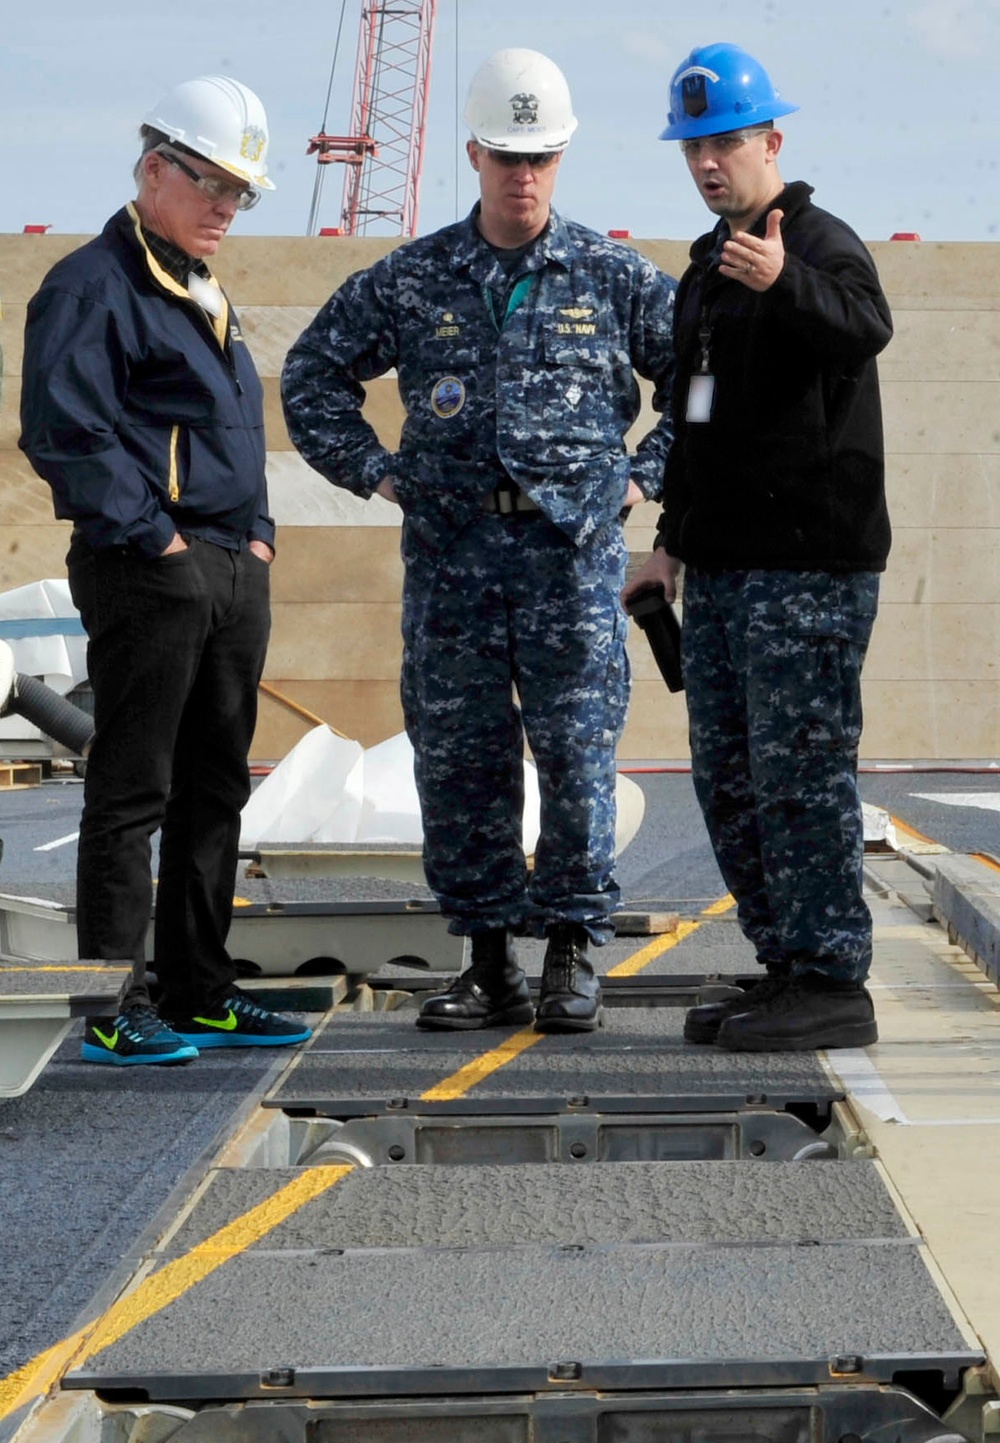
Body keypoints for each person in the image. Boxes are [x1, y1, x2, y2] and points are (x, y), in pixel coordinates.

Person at [282, 48, 676, 1034]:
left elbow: (707, 384)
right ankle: (491, 962)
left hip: (569, 559)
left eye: (540, 155)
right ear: (473, 153)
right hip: (453, 562)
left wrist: (647, 472)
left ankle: (573, 953)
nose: (523, 175)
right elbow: (312, 374)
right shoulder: (416, 278)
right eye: (506, 155)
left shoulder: (614, 275)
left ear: (564, 152)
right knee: (462, 763)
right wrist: (376, 472)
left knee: (577, 760)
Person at [20, 76, 310, 1066]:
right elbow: (64, 429)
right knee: (132, 787)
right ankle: (111, 1003)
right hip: (151, 568)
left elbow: (234, 432)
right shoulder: (92, 285)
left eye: (242, 192)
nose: (228, 205)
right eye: (213, 183)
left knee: (213, 789)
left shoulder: (199, 281)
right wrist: (159, 541)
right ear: (155, 169)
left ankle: (199, 993)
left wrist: (258, 535)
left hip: (229, 567)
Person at [624, 42, 892, 1053]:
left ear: (771, 141)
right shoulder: (703, 273)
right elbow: (694, 421)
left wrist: (786, 281)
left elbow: (864, 330)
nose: (708, 162)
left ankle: (832, 981)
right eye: (694, 145)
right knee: (728, 777)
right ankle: (785, 966)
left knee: (803, 774)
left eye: (727, 141)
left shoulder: (819, 244)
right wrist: (666, 547)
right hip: (725, 574)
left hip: (809, 572)